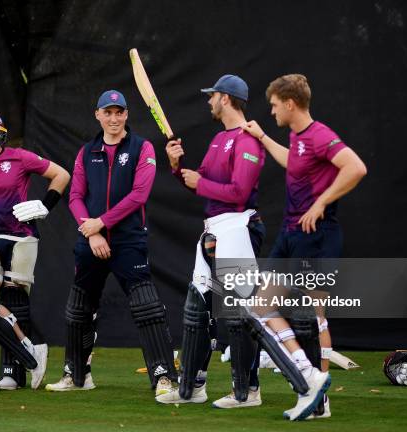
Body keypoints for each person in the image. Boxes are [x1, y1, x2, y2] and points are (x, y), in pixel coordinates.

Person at [242, 73, 367, 419]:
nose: (271, 111)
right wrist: (263, 137)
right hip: (290, 234)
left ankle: (317, 396)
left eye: (274, 105)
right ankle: (309, 378)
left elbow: (355, 168)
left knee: (312, 318)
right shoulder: (297, 138)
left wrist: (321, 202)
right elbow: (294, 162)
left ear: (290, 103)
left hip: (316, 236)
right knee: (259, 306)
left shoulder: (319, 135)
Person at [44, 90, 178, 396]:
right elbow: (75, 197)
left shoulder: (142, 148)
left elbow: (139, 195)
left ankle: (163, 377)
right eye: (108, 112)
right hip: (91, 240)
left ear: (127, 115)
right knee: (79, 308)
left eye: (119, 112)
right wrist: (91, 232)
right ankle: (76, 376)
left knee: (147, 307)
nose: (114, 118)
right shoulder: (85, 151)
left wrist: (102, 223)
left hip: (128, 240)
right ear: (98, 115)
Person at [155, 74, 267, 409]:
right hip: (214, 228)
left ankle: (248, 391)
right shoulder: (220, 139)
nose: (208, 101)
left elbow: (239, 193)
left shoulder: (248, 140)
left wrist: (199, 184)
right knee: (196, 308)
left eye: (212, 96)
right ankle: (192, 388)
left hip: (239, 227)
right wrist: (177, 167)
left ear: (226, 98)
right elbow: (198, 180)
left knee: (236, 311)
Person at [0, 111, 70, 390]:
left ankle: (11, 372)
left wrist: (46, 204)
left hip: (22, 237)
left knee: (15, 299)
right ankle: (31, 348)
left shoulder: (19, 157)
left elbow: (61, 175)